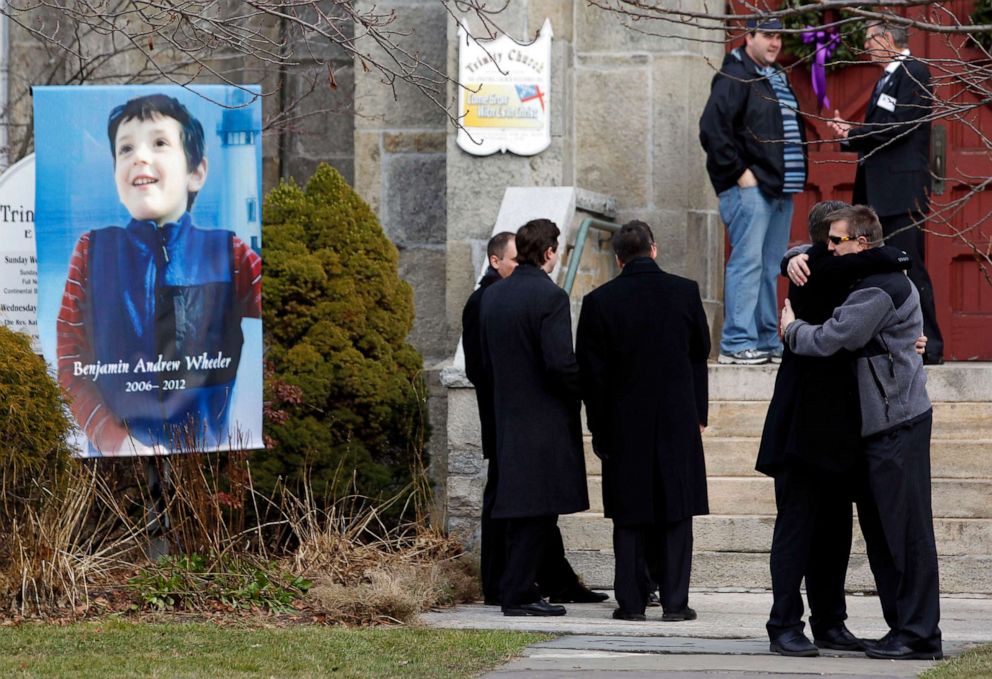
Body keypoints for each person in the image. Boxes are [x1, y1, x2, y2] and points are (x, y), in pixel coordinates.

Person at [56, 94, 262, 456]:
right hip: (113, 468)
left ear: (195, 172)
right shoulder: (91, 252)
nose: (140, 156)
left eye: (160, 142)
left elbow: (281, 323)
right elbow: (71, 367)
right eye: (125, 148)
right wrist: (116, 441)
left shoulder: (231, 255)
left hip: (205, 461)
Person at [781, 205, 942, 661]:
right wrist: (792, 255)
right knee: (891, 533)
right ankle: (907, 629)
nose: (827, 248)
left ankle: (917, 634)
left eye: (836, 241)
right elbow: (812, 256)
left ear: (861, 244)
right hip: (885, 422)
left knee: (907, 533)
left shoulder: (877, 288)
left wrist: (792, 330)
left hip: (897, 421)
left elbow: (835, 336)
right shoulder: (875, 273)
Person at [462, 231, 606, 607]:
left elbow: (483, 364)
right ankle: (517, 591)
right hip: (543, 419)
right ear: (548, 252)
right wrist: (588, 388)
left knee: (526, 507)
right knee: (537, 508)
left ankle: (539, 584)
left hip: (506, 415)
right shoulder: (550, 296)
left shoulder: (491, 296)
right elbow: (559, 363)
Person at [576, 221, 710, 622]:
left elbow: (591, 374)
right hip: (676, 419)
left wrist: (597, 428)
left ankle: (631, 603)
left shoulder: (599, 301)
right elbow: (699, 352)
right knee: (676, 511)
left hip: (623, 423)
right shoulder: (684, 292)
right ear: (654, 249)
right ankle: (675, 603)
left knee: (630, 514)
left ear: (618, 258)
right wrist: (698, 413)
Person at [827, 16, 943, 364]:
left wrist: (853, 134)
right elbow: (881, 129)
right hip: (880, 193)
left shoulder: (914, 73)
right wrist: (850, 134)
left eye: (868, 39)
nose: (865, 47)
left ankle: (930, 346)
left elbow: (901, 127)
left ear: (887, 38)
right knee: (879, 268)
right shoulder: (887, 78)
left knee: (910, 266)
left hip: (902, 192)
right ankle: (891, 341)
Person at [699, 16, 807, 365]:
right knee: (747, 264)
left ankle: (763, 339)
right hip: (751, 188)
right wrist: (740, 174)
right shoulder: (735, 75)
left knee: (769, 266)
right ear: (749, 37)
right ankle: (736, 343)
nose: (775, 43)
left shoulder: (775, 76)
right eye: (768, 36)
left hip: (779, 187)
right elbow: (712, 129)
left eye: (779, 37)